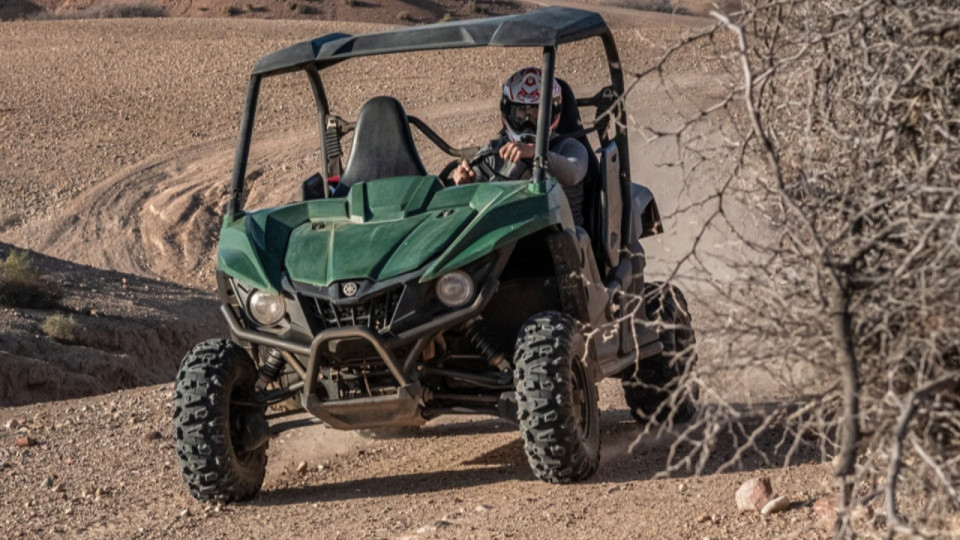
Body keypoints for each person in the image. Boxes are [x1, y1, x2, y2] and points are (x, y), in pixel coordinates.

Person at [452, 67, 589, 226]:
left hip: (564, 240)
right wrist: (465, 185)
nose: (527, 123)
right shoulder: (494, 151)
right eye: (521, 113)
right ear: (507, 112)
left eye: (536, 114)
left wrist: (535, 154)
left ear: (553, 113)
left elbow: (572, 173)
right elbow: (473, 193)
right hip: (506, 236)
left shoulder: (570, 148)